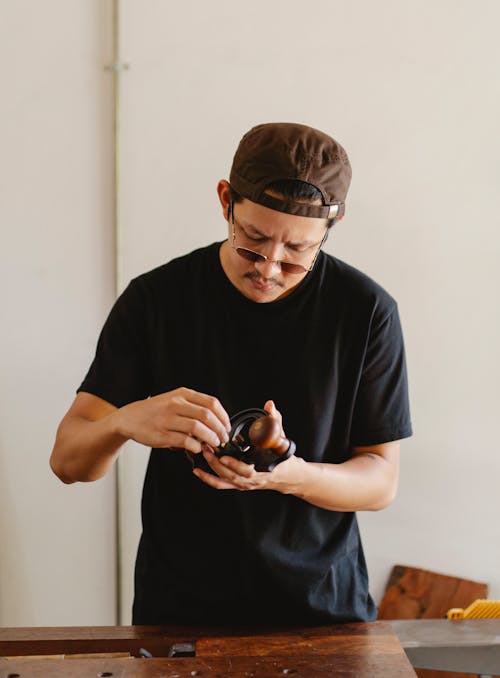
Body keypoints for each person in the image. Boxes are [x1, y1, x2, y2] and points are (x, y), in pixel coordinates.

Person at [50, 122, 412, 626]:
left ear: (333, 227)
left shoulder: (366, 311)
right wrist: (124, 422)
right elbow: (69, 462)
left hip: (322, 613)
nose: (269, 267)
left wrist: (289, 478)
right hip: (179, 610)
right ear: (226, 201)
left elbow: (380, 482)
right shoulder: (156, 300)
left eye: (298, 252)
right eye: (254, 240)